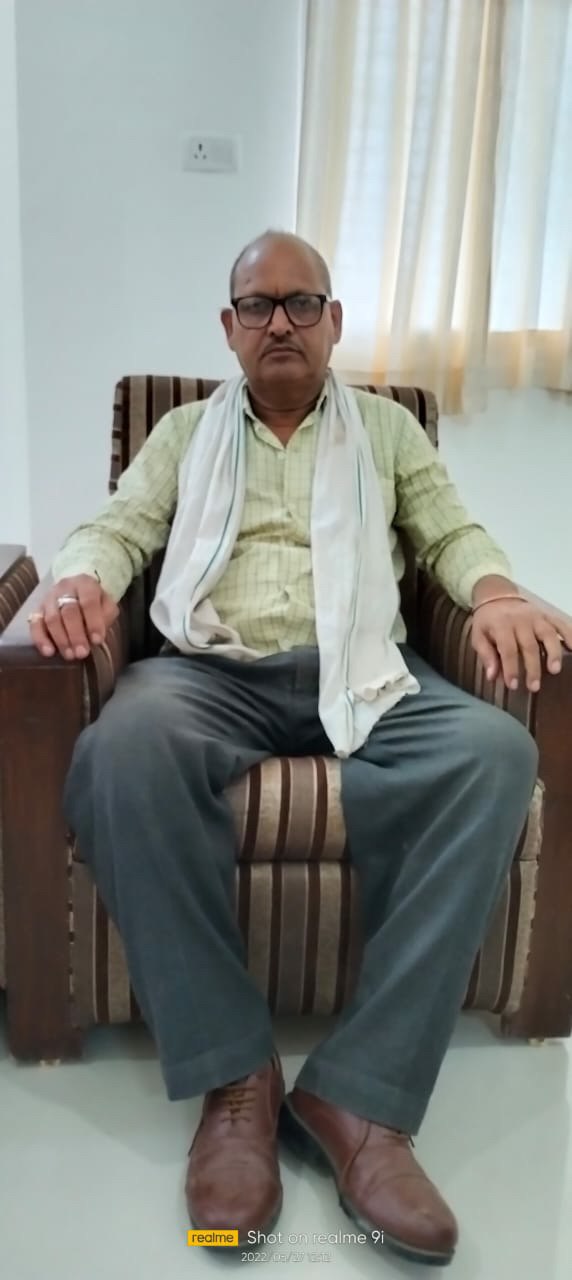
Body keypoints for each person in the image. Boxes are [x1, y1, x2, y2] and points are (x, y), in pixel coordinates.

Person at [28, 231, 571, 1267]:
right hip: (209, 672)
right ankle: (236, 1077)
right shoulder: (185, 431)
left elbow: (449, 534)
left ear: (333, 321)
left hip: (361, 669)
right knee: (119, 751)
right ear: (228, 328)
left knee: (495, 754)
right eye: (257, 305)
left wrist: (498, 592)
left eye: (301, 302)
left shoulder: (386, 430)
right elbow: (121, 527)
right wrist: (82, 580)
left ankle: (359, 1097)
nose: (279, 321)